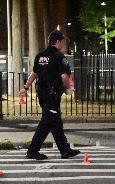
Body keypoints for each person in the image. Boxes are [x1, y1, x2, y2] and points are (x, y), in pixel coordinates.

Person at [19, 30, 80, 160]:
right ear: (58, 41)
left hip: (41, 93)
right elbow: (64, 77)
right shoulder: (59, 57)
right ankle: (32, 151)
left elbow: (34, 73)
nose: (63, 43)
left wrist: (26, 87)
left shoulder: (40, 56)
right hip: (52, 94)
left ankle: (65, 150)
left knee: (55, 121)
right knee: (47, 122)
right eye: (62, 41)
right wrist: (67, 88)